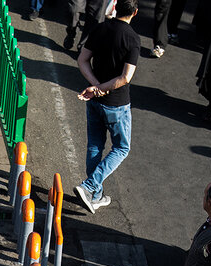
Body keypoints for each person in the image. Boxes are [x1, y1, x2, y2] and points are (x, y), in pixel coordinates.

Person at [74, 0, 139, 215]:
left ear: (115, 8)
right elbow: (125, 77)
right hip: (117, 104)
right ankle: (89, 187)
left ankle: (96, 195)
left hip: (95, 101)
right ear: (135, 13)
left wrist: (95, 86)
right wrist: (102, 88)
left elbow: (82, 60)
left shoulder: (100, 28)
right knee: (121, 148)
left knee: (95, 146)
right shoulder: (132, 39)